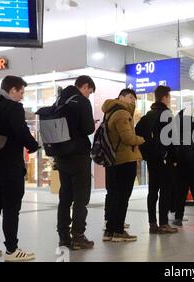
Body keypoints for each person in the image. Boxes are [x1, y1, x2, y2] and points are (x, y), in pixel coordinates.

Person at [0, 76, 39, 261]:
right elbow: (21, 131)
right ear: (12, 90)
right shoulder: (13, 107)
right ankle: (12, 250)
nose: (22, 97)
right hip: (10, 167)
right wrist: (34, 145)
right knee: (11, 209)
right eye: (21, 92)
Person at [55, 75, 96, 250]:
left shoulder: (60, 101)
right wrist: (90, 124)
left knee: (65, 196)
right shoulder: (82, 102)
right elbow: (88, 128)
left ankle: (63, 236)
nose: (89, 95)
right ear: (85, 86)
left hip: (61, 155)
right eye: (90, 91)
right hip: (79, 155)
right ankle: (78, 235)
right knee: (81, 197)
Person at [102, 89, 145, 242]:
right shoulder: (122, 113)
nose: (132, 100)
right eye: (130, 97)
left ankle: (110, 231)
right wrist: (141, 139)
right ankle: (118, 231)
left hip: (113, 159)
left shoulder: (110, 111)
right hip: (124, 160)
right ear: (121, 97)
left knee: (114, 195)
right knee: (122, 197)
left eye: (134, 98)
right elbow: (128, 138)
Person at [135, 86, 178, 234]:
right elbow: (172, 139)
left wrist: (146, 151)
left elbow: (138, 134)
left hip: (152, 159)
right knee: (165, 191)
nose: (170, 99)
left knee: (152, 191)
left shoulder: (148, 116)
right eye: (169, 97)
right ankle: (164, 223)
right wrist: (174, 157)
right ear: (165, 98)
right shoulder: (166, 115)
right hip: (165, 159)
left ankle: (152, 223)